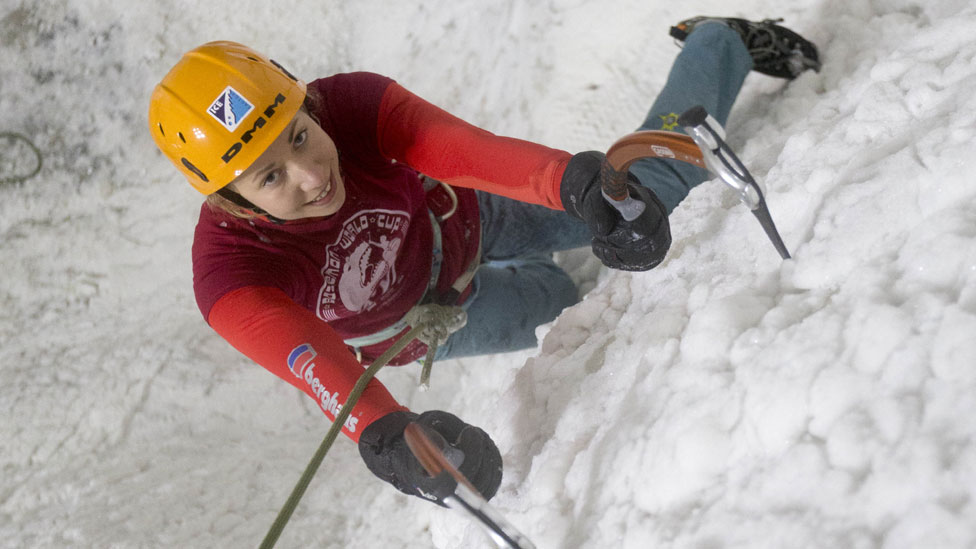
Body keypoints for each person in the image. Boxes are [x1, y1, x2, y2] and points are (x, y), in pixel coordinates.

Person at [148, 16, 819, 506]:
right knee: (559, 313)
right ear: (232, 201)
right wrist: (386, 432)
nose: (310, 173)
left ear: (305, 101)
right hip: (435, 323)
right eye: (269, 178)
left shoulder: (351, 105)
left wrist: (577, 185)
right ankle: (574, 273)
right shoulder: (231, 276)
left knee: (652, 193)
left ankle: (718, 44)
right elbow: (321, 366)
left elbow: (465, 149)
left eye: (300, 134)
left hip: (469, 219)